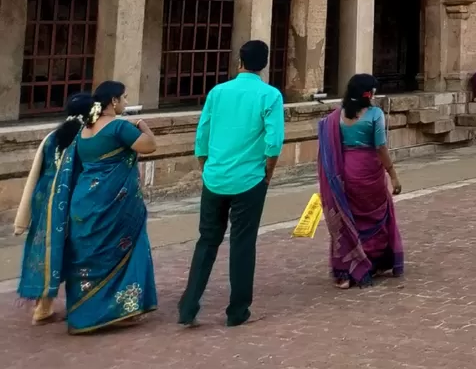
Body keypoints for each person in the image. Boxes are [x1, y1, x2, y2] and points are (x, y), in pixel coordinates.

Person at [17, 84, 160, 332]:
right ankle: (115, 310)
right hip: (111, 204)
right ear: (113, 101)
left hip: (76, 204)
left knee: (81, 258)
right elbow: (149, 145)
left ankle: (73, 312)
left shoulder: (80, 133)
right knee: (116, 254)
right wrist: (143, 126)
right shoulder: (119, 127)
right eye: (124, 97)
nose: (126, 101)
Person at [178, 39, 284, 328]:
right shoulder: (270, 95)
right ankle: (237, 310)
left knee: (207, 241)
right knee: (242, 243)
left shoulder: (218, 92)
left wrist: (206, 169)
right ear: (264, 65)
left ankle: (188, 305)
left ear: (239, 61)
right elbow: (273, 144)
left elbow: (202, 137)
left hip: (215, 176)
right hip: (250, 179)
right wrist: (268, 174)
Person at [318, 73, 404, 290]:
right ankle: (372, 262)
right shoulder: (375, 114)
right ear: (369, 93)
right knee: (376, 217)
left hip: (344, 171)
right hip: (369, 172)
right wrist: (393, 174)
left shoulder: (337, 116)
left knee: (350, 218)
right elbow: (381, 146)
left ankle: (346, 270)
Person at [15, 92, 91, 325]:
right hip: (71, 195)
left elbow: (37, 171)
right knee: (76, 248)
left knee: (45, 246)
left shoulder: (52, 137)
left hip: (44, 197)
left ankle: (42, 307)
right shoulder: (86, 137)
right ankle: (79, 304)